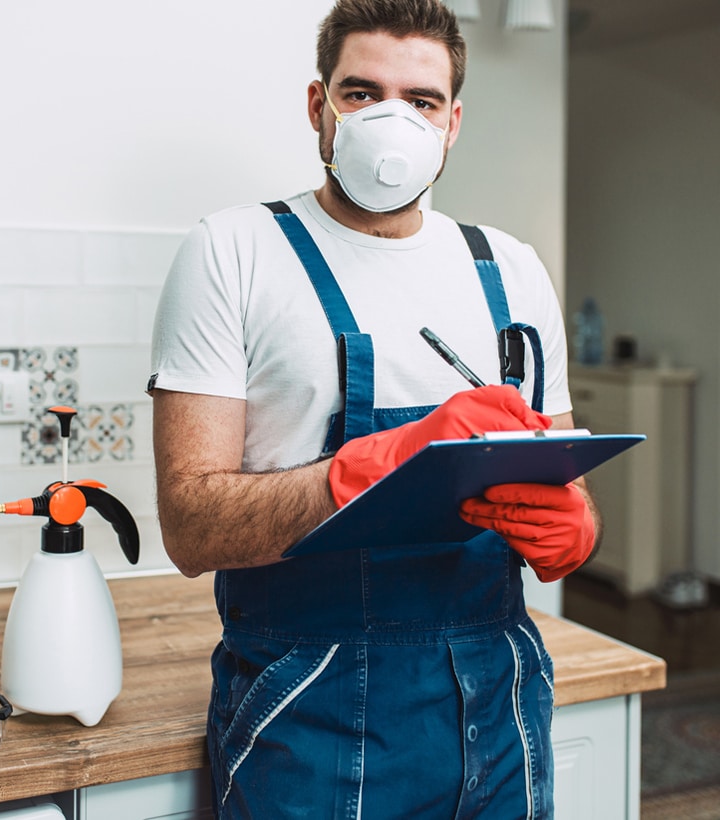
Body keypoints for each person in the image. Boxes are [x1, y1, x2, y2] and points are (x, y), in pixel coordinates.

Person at [149, 0, 600, 816]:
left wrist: (575, 525)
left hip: (498, 702)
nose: (393, 120)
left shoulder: (511, 268)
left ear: (452, 123)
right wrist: (378, 466)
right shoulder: (236, 251)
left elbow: (560, 471)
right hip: (311, 706)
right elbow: (190, 526)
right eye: (362, 94)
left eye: (421, 101)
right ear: (318, 106)